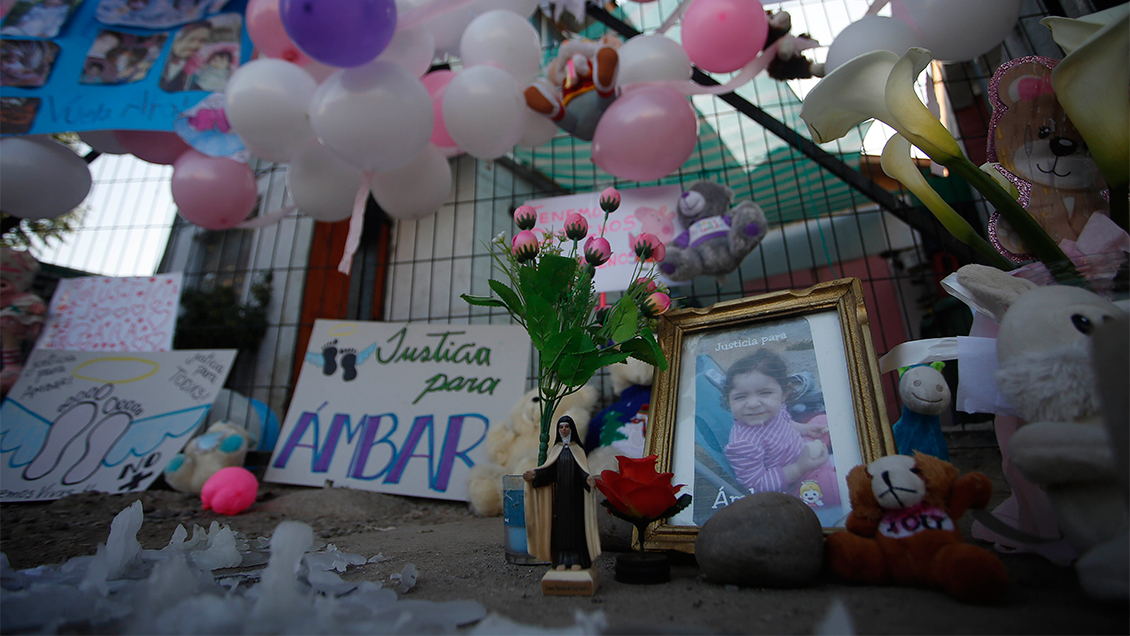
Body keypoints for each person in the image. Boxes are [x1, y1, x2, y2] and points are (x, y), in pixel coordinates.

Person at [721, 348, 841, 506]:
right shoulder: (743, 444)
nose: (753, 404)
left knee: (822, 421)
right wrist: (799, 468)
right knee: (837, 486)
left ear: (783, 394)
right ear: (729, 401)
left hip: (798, 446)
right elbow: (756, 485)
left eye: (765, 393)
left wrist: (806, 429)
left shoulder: (773, 410)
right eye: (740, 397)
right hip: (797, 482)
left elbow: (785, 424)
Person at [523, 416, 601, 571]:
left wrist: (588, 480)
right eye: (561, 427)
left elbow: (582, 472)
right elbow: (549, 472)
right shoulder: (556, 451)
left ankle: (577, 559)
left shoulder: (578, 451)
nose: (564, 429)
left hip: (576, 499)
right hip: (560, 499)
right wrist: (535, 475)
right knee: (560, 530)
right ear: (558, 430)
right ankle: (561, 560)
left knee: (576, 529)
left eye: (566, 427)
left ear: (571, 429)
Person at [159, 19, 209, 91]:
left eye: (202, 41)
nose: (196, 45)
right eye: (192, 39)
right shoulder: (154, 60)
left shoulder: (199, 72)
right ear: (176, 38)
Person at [1, 0, 71, 38]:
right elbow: (26, 17)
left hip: (38, 35)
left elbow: (55, 27)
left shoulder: (61, 12)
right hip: (23, 30)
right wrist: (22, 23)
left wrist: (46, 34)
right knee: (8, 30)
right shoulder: (37, 7)